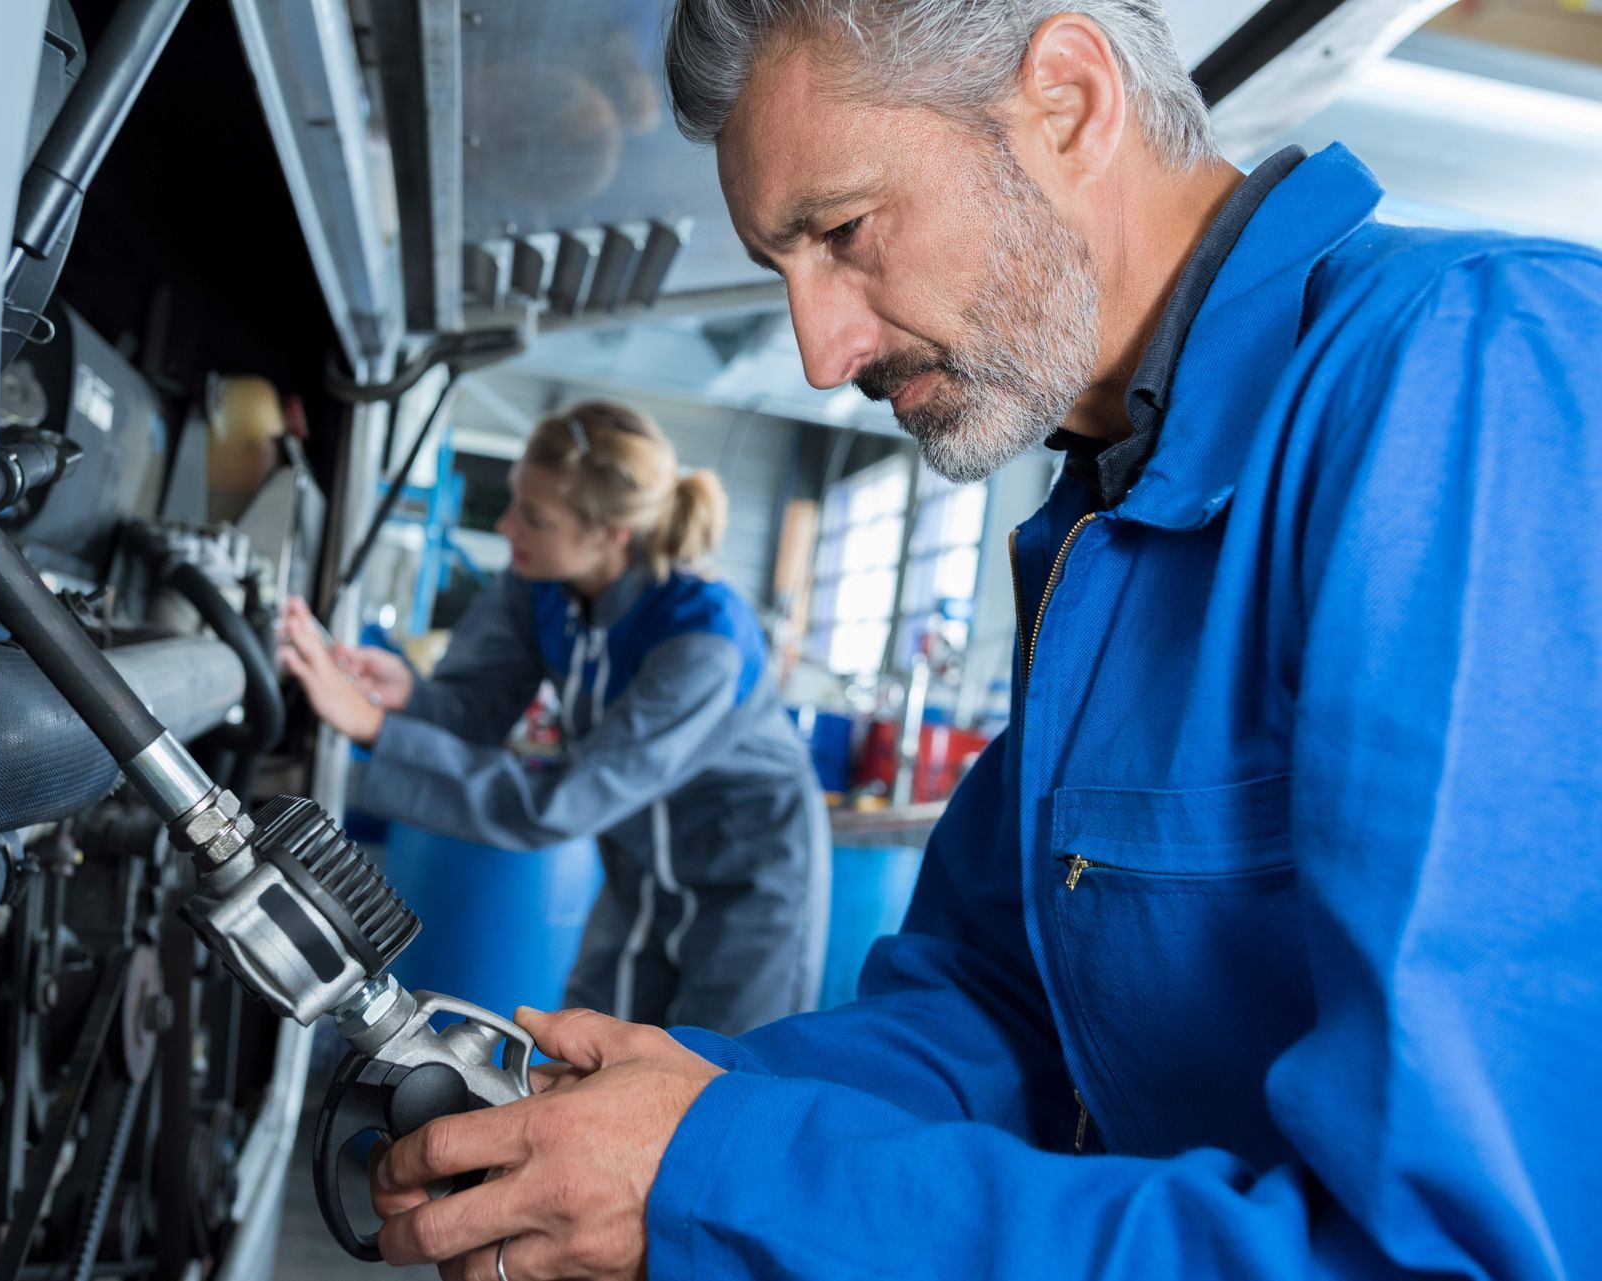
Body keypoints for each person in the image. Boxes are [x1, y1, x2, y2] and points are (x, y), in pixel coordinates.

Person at [356, 3, 1602, 1280]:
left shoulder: (1477, 378)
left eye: (842, 232)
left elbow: (1457, 1255)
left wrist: (723, 1176)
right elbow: (997, 1019)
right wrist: (676, 1107)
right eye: (786, 268)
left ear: (1066, 101)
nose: (822, 348)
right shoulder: (1100, 529)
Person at [280, 400, 830, 1037]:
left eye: (534, 517)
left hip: (747, 875)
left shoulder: (703, 641)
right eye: (515, 501)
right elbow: (472, 712)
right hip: (637, 868)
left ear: (611, 536)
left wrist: (376, 730)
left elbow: (559, 802)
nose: (507, 526)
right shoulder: (539, 584)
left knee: (720, 1078)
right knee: (587, 1051)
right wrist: (405, 697)